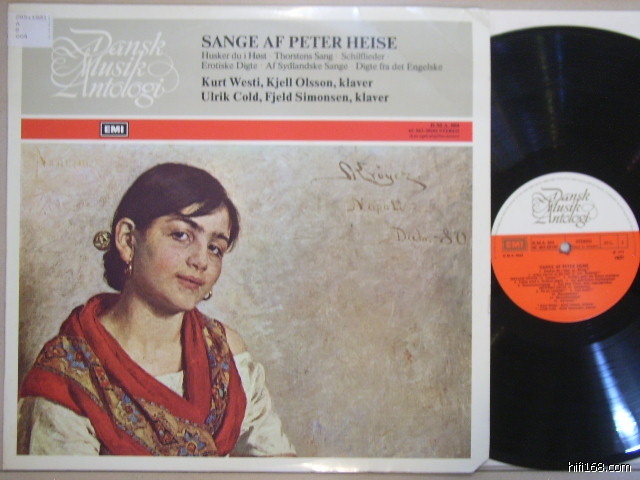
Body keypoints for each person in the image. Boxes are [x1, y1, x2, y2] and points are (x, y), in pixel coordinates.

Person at [17, 163, 295, 457]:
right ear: (127, 240)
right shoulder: (67, 376)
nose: (201, 261)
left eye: (215, 248)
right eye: (181, 235)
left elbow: (278, 467)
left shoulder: (227, 354)